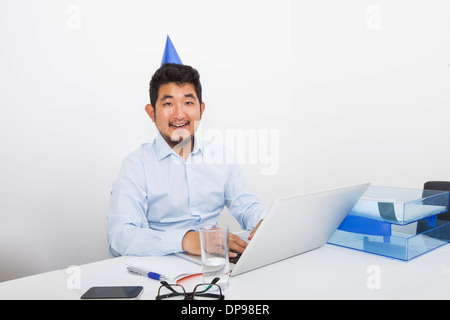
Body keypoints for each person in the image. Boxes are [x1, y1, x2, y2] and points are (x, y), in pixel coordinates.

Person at [107, 62, 267, 258]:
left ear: (201, 109)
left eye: (188, 103)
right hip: (161, 268)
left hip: (213, 264)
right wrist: (186, 240)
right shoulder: (136, 165)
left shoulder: (221, 157)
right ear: (151, 113)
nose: (179, 114)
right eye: (168, 103)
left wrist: (263, 222)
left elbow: (246, 205)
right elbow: (120, 236)